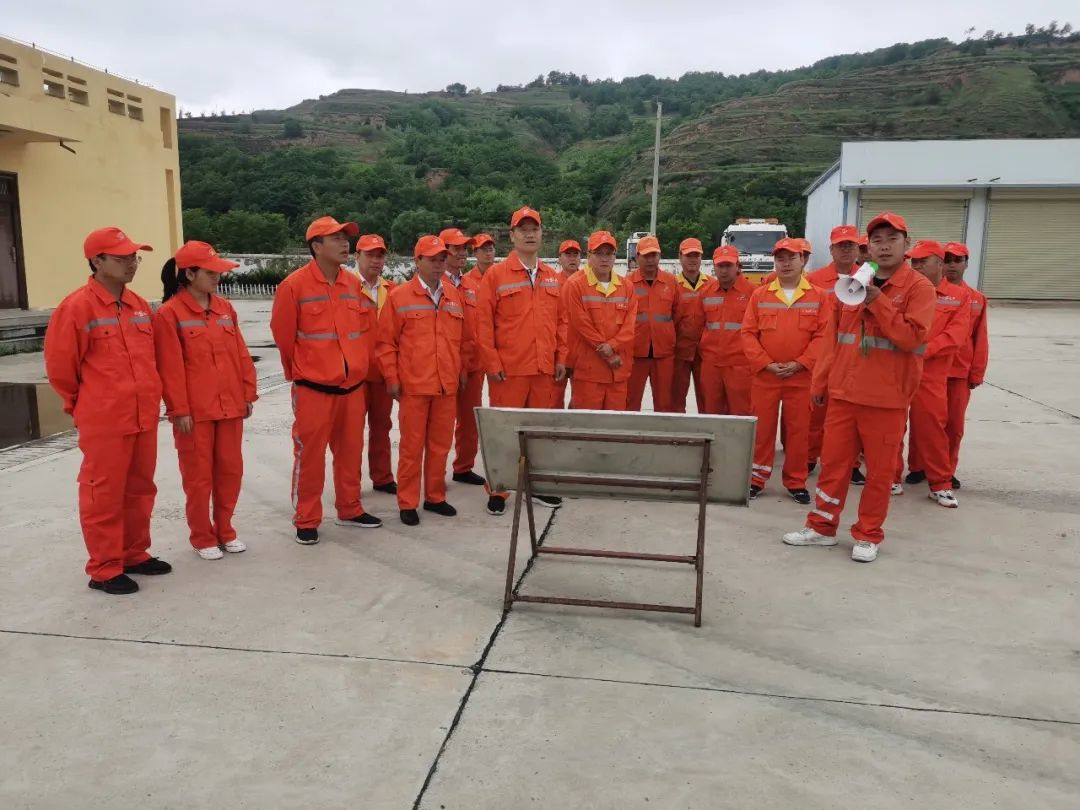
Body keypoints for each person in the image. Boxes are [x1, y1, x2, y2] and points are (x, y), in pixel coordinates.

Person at [782, 211, 935, 563]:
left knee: (879, 472)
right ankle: (821, 527)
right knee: (833, 466)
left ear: (906, 244)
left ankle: (867, 534)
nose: (884, 247)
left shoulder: (919, 288)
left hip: (886, 398)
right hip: (844, 394)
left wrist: (877, 301)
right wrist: (821, 381)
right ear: (869, 247)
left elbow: (911, 339)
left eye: (892, 240)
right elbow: (833, 339)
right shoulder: (851, 283)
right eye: (877, 241)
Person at [44, 227, 170, 594]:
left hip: (143, 415)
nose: (132, 264)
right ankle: (104, 568)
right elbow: (60, 369)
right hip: (104, 418)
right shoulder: (76, 307)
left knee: (140, 488)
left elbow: (152, 359)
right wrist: (84, 404)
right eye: (122, 258)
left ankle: (134, 553)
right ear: (97, 261)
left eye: (134, 257)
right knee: (104, 493)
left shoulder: (139, 306)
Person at [270, 216, 382, 545]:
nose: (345, 244)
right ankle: (306, 519)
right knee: (310, 456)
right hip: (314, 389)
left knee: (350, 452)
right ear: (316, 247)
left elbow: (362, 331)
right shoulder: (294, 286)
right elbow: (284, 337)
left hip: (352, 387)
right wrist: (302, 373)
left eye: (346, 238)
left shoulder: (352, 284)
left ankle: (350, 508)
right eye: (336, 238)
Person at [154, 241, 257, 560]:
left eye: (218, 272)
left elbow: (241, 353)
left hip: (230, 406)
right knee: (198, 478)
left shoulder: (225, 308)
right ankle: (202, 535)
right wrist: (179, 409)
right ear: (189, 274)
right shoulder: (169, 313)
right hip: (194, 413)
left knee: (230, 471)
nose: (216, 277)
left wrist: (247, 393)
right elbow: (169, 367)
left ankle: (226, 530)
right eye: (210, 272)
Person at [476, 206, 564, 515]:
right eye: (522, 229)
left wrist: (560, 357)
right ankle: (499, 488)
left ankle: (536, 486)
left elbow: (562, 322)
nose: (529, 234)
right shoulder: (496, 276)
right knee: (505, 432)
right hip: (508, 371)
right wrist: (492, 362)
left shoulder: (552, 277)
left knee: (538, 431)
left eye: (534, 229)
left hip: (543, 368)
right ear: (511, 235)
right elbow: (483, 324)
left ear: (542, 234)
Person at [377, 236, 470, 526]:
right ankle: (407, 502)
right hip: (414, 387)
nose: (438, 265)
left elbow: (463, 341)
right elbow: (385, 343)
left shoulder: (453, 295)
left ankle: (435, 497)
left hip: (446, 386)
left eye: (442, 259)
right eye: (432, 260)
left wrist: (461, 370)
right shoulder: (399, 297)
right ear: (417, 261)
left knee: (440, 446)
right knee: (412, 447)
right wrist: (392, 378)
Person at [742, 238, 831, 504]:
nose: (786, 263)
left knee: (798, 432)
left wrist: (801, 362)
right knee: (762, 430)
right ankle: (757, 479)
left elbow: (824, 336)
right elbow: (748, 333)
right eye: (780, 258)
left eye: (791, 258)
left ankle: (796, 481)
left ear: (803, 260)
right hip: (766, 376)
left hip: (801, 377)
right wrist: (766, 363)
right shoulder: (760, 295)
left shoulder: (819, 296)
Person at [893, 240, 970, 507]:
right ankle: (891, 477)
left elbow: (956, 334)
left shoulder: (959, 296)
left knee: (932, 429)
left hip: (931, 373)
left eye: (922, 261)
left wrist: (922, 350)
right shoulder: (904, 291)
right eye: (913, 261)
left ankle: (940, 483)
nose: (916, 266)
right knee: (892, 426)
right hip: (899, 369)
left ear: (939, 263)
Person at [806, 225, 863, 483]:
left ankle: (851, 464)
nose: (846, 250)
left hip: (854, 360)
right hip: (822, 356)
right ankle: (809, 456)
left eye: (850, 245)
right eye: (841, 246)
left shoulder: (868, 279)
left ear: (858, 249)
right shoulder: (815, 280)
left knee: (850, 417)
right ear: (831, 249)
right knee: (816, 412)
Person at [562, 231, 637, 409]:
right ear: (589, 256)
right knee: (587, 423)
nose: (604, 259)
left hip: (618, 371)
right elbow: (581, 325)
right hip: (589, 372)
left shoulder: (627, 287)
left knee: (614, 423)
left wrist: (613, 346)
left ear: (615, 256)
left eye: (609, 254)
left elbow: (630, 326)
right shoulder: (575, 285)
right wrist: (609, 353)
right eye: (599, 253)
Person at [942, 242, 989, 488]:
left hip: (960, 371)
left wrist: (977, 372)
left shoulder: (977, 299)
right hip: (932, 368)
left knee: (954, 425)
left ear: (966, 264)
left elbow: (980, 338)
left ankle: (947, 470)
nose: (952, 265)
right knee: (925, 423)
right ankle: (919, 466)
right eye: (947, 260)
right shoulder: (928, 292)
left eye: (957, 260)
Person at [451, 232, 496, 486]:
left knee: (470, 419)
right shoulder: (461, 282)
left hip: (477, 360)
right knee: (443, 423)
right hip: (451, 363)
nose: (488, 253)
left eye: (491, 248)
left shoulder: (483, 282)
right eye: (482, 249)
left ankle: (463, 466)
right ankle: (432, 477)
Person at [355, 233, 397, 494]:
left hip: (382, 373)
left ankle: (382, 477)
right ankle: (350, 484)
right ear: (356, 256)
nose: (375, 260)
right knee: (351, 433)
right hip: (355, 375)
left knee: (382, 427)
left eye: (380, 255)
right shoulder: (346, 288)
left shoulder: (393, 291)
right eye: (369, 255)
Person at [698, 245, 756, 415]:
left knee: (741, 414)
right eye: (720, 266)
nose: (724, 271)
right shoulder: (706, 292)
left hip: (741, 366)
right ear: (714, 267)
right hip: (711, 366)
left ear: (738, 266)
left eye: (728, 265)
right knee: (712, 414)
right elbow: (699, 327)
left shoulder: (753, 293)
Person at [627, 236, 679, 412]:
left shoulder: (671, 282)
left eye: (654, 255)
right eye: (646, 256)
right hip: (635, 353)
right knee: (630, 402)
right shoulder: (627, 283)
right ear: (637, 257)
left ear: (659, 256)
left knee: (664, 404)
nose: (650, 260)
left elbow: (677, 314)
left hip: (663, 353)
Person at [672, 238, 708, 414]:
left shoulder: (712, 285)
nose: (693, 259)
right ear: (680, 257)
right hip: (679, 352)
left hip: (705, 354)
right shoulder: (672, 285)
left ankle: (706, 429)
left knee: (707, 400)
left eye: (696, 255)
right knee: (675, 400)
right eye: (689, 255)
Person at [551, 239, 583, 408]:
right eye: (567, 254)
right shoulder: (551, 283)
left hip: (581, 351)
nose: (572, 258)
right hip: (558, 351)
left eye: (575, 254)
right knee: (554, 399)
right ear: (559, 258)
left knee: (581, 401)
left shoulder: (588, 283)